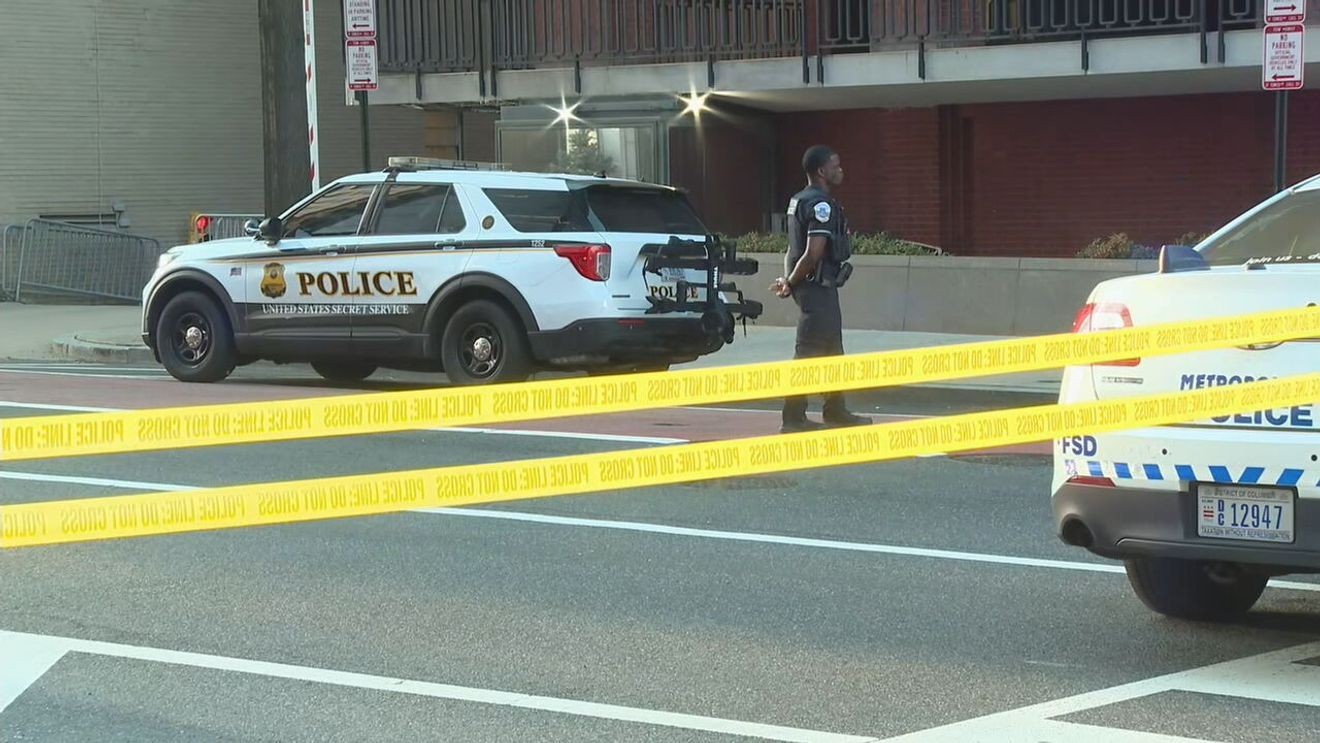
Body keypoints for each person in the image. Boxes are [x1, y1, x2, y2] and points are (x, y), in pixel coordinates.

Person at [770, 145, 872, 433]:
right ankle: (793, 417)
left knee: (832, 350)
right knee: (807, 353)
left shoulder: (798, 200)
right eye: (835, 166)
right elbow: (812, 253)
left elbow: (792, 248)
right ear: (821, 171)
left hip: (815, 286)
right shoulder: (820, 205)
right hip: (816, 288)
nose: (840, 170)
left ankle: (835, 410)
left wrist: (789, 279)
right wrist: (791, 282)